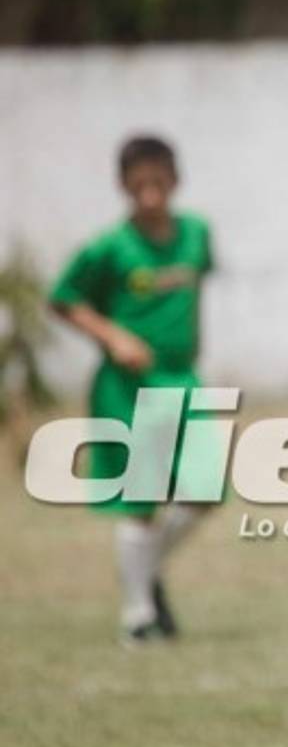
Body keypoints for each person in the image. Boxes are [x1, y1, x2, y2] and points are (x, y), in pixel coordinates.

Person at [49, 134, 216, 644]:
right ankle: (138, 617)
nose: (150, 195)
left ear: (175, 180)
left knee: (205, 490)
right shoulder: (108, 248)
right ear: (123, 186)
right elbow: (63, 299)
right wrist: (113, 336)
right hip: (128, 385)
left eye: (158, 183)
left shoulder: (196, 235)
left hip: (182, 378)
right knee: (140, 500)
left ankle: (142, 569)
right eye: (139, 185)